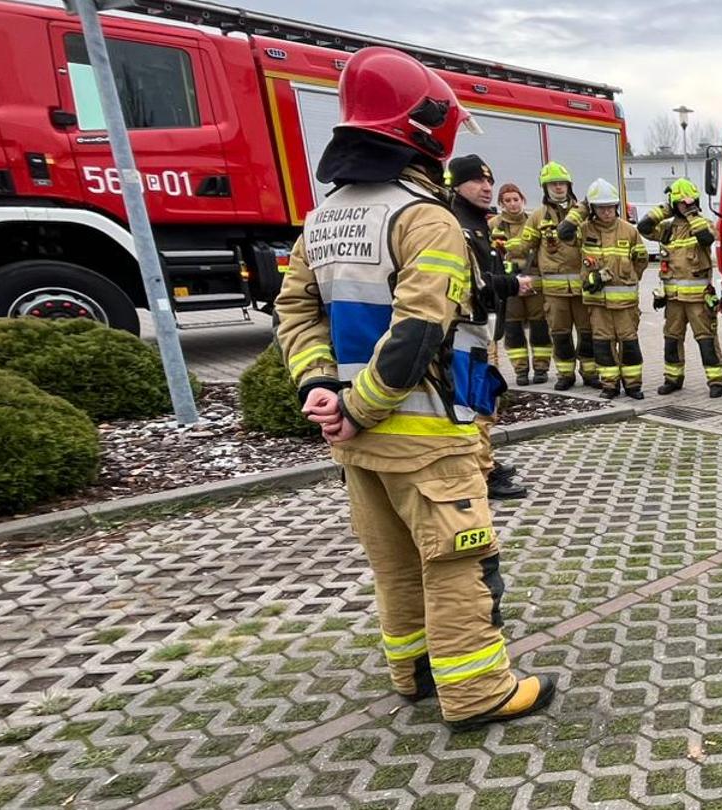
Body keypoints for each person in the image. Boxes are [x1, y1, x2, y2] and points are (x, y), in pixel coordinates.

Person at [274, 46, 556, 729]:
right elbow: (418, 332)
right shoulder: (424, 216)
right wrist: (360, 407)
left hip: (360, 448)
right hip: (427, 435)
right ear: (425, 129)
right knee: (459, 561)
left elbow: (296, 312)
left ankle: (415, 672)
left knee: (395, 563)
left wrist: (323, 390)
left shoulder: (324, 216)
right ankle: (478, 692)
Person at [445, 155, 531, 502]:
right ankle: (480, 475)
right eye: (477, 182)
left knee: (486, 403)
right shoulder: (455, 225)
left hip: (481, 329)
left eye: (489, 182)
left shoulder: (479, 223)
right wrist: (511, 285)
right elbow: (470, 282)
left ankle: (484, 462)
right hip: (465, 333)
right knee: (475, 405)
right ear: (457, 185)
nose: (486, 188)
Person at [506, 162, 592, 390]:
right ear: (545, 188)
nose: (558, 187)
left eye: (562, 183)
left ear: (569, 185)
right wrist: (503, 246)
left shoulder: (583, 214)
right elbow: (525, 245)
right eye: (553, 184)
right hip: (554, 293)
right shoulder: (537, 217)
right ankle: (566, 375)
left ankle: (590, 373)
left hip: (583, 288)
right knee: (560, 334)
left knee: (587, 333)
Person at [563, 179, 649, 399]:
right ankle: (610, 385)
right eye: (601, 207)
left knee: (629, 343)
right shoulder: (584, 230)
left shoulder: (629, 231)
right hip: (597, 302)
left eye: (610, 207)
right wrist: (580, 209)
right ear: (593, 209)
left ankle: (633, 385)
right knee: (603, 344)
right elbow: (563, 234)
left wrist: (629, 279)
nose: (607, 212)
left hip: (626, 304)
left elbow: (641, 259)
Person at [642, 178, 722, 397]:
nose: (684, 206)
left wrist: (691, 214)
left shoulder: (703, 223)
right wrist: (665, 209)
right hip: (674, 300)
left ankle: (716, 381)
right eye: (680, 203)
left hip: (699, 300)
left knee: (706, 340)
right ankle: (673, 379)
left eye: (688, 203)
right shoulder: (666, 228)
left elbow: (706, 239)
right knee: (672, 340)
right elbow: (643, 227)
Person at [491, 183, 552, 386]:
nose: (512, 204)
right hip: (509, 285)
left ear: (522, 200)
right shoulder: (493, 225)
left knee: (539, 325)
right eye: (507, 201)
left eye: (515, 199)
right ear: (501, 203)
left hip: (533, 280)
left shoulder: (533, 221)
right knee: (513, 328)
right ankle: (521, 370)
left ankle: (541, 368)